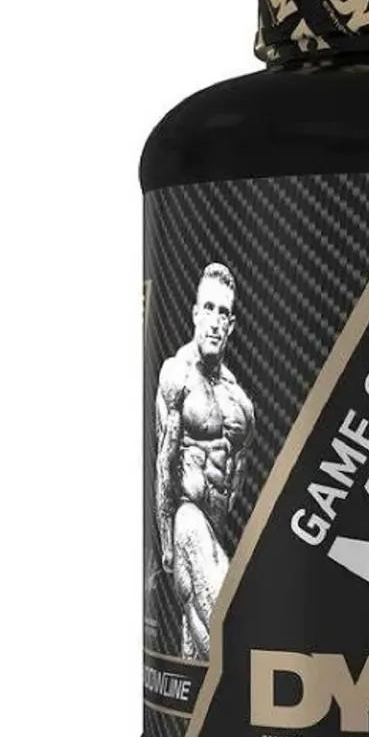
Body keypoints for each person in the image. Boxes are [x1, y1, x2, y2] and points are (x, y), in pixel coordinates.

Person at [155, 264, 255, 659]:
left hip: (216, 527)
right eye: (209, 309)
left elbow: (238, 476)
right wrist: (166, 543)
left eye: (223, 312)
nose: (215, 321)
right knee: (226, 627)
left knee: (197, 647)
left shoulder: (240, 401)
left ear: (231, 324)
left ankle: (199, 699)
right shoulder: (176, 376)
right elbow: (165, 462)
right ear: (196, 313)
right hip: (187, 517)